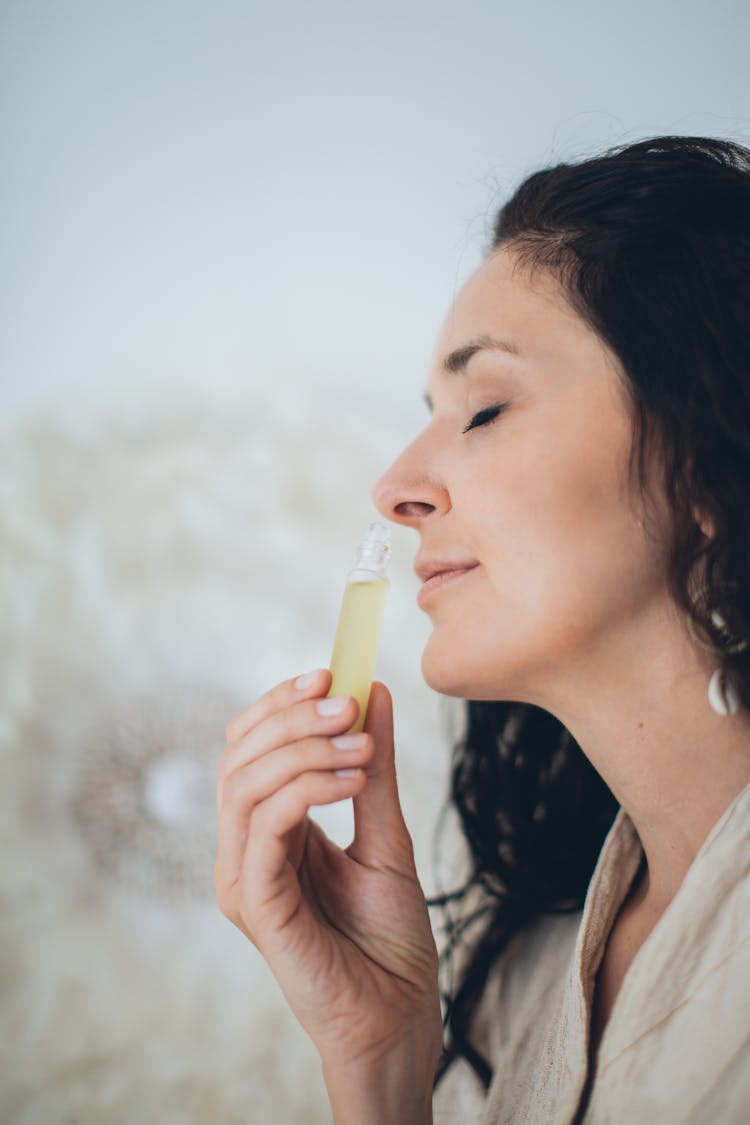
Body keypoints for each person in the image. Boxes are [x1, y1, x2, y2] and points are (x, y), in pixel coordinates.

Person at [214, 135, 750, 1123]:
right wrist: (378, 1064)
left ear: (712, 439)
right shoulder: (520, 967)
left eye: (487, 408)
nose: (395, 488)